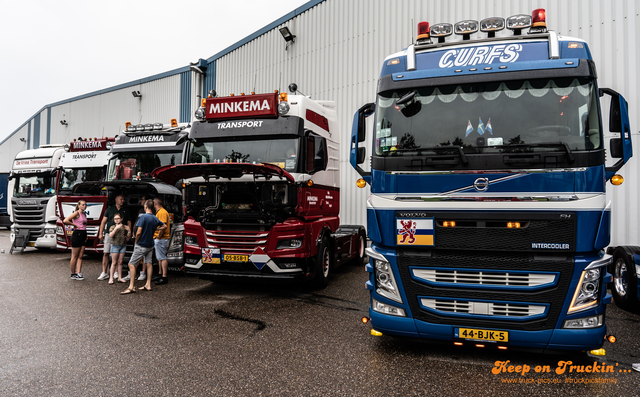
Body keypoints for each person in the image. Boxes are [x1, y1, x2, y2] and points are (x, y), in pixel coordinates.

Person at [121, 199, 166, 294]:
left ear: (146, 207)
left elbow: (138, 232)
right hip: (150, 244)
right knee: (149, 263)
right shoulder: (154, 218)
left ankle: (131, 286)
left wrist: (136, 241)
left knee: (131, 264)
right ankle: (148, 284)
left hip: (141, 244)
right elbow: (165, 226)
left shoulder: (143, 217)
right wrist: (156, 228)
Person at [98, 194, 131, 281]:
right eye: (121, 199)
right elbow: (103, 221)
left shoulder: (125, 211)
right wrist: (100, 233)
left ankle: (115, 273)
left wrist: (129, 233)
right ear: (116, 200)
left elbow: (129, 222)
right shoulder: (109, 210)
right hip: (110, 234)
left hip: (121, 236)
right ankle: (104, 272)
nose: (122, 201)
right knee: (106, 253)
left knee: (117, 256)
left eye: (123, 199)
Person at [64, 200, 88, 280]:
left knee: (81, 256)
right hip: (77, 234)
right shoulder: (76, 213)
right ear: (79, 205)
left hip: (83, 234)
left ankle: (79, 273)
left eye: (85, 205)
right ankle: (73, 273)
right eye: (83, 205)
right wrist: (73, 225)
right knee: (74, 256)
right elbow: (65, 220)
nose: (85, 206)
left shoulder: (84, 214)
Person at [152, 197, 170, 285]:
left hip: (162, 239)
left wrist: (158, 237)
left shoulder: (162, 212)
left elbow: (163, 226)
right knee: (159, 258)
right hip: (160, 238)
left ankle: (164, 276)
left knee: (162, 258)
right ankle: (160, 274)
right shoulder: (160, 212)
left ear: (155, 204)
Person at [108, 213, 130, 284]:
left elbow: (128, 237)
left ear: (121, 219)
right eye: (115, 219)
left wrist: (129, 230)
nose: (116, 220)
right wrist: (116, 228)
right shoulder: (112, 227)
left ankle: (120, 277)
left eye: (118, 218)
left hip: (123, 245)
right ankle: (111, 278)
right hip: (115, 245)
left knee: (120, 262)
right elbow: (111, 235)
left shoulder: (125, 227)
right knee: (114, 262)